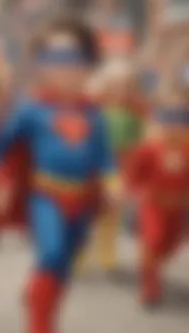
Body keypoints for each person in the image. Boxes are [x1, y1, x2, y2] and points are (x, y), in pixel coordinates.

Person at [0, 18, 118, 333]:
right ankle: (40, 323)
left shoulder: (95, 114)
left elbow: (104, 156)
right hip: (46, 197)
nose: (65, 68)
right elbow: (1, 147)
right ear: (41, 66)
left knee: (63, 265)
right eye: (55, 59)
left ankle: (39, 299)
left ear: (90, 65)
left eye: (74, 59)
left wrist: (114, 183)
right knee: (52, 252)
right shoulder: (31, 110)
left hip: (84, 200)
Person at [125, 89, 189, 309]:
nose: (175, 127)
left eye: (181, 121)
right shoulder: (149, 149)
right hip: (153, 204)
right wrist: (129, 192)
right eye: (170, 120)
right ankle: (149, 286)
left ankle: (153, 268)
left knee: (171, 244)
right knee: (153, 240)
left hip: (179, 207)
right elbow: (134, 174)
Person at [83, 59, 145, 273]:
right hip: (95, 165)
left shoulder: (137, 110)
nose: (120, 89)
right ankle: (81, 251)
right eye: (115, 83)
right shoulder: (94, 107)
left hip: (122, 166)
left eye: (125, 84)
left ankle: (107, 250)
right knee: (89, 210)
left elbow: (144, 139)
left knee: (112, 211)